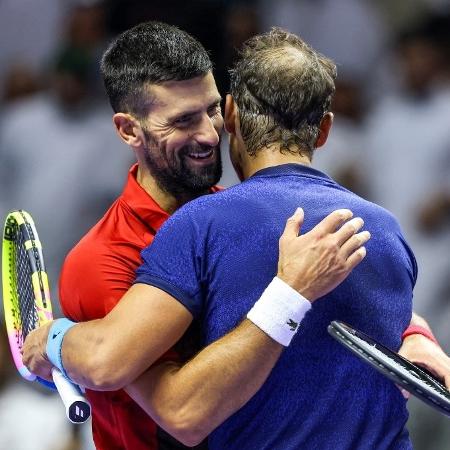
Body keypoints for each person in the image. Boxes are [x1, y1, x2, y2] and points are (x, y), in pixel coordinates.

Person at [23, 24, 450, 449]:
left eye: (210, 111)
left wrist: (413, 333)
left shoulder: (223, 219)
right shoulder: (103, 260)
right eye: (184, 120)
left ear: (230, 111)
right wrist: (56, 339)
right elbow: (174, 408)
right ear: (129, 130)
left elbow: (339, 288)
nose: (209, 134)